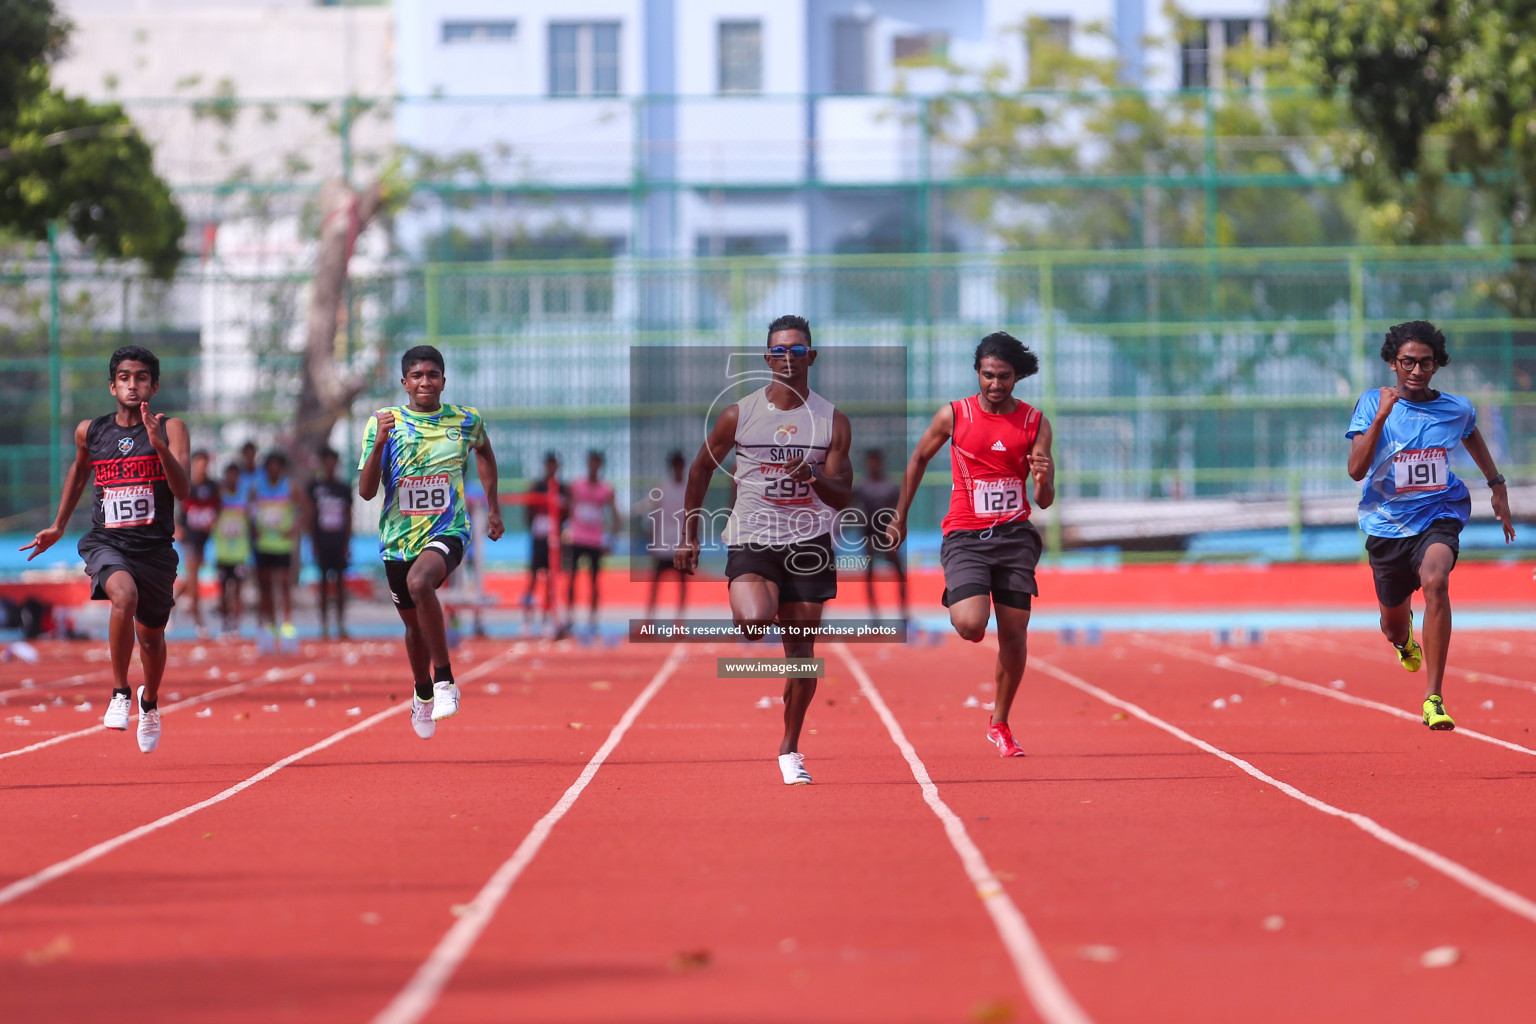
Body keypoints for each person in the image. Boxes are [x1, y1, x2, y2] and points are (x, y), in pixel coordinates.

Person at [676, 314, 852, 785]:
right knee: (754, 622)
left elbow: (843, 494)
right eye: (780, 350)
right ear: (767, 357)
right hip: (753, 535)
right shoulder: (740, 414)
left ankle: (790, 748)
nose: (788, 358)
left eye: (798, 350)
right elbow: (699, 470)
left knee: (802, 655)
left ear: (810, 357)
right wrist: (688, 534)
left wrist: (812, 475)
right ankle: (765, 602)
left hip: (809, 544)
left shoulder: (831, 420)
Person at [887, 332, 1054, 759]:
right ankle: (972, 608)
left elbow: (1046, 500)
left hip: (1015, 536)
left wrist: (1043, 478)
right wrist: (899, 515)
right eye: (988, 375)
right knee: (970, 625)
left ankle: (999, 722)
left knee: (1014, 634)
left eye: (1004, 377)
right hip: (965, 535)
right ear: (977, 373)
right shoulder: (955, 415)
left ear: (1017, 377)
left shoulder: (1035, 423)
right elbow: (919, 458)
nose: (995, 384)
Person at [1346, 320, 1516, 730]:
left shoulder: (1457, 408)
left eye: (1426, 363)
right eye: (1409, 363)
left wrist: (1497, 485)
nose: (1417, 372)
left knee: (1437, 580)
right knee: (1392, 625)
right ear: (1392, 363)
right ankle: (1404, 641)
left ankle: (1433, 697)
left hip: (1439, 513)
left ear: (1436, 365)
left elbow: (1471, 434)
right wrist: (1383, 417)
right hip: (1387, 526)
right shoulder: (1372, 403)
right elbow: (1355, 469)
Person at [21, 345, 191, 754]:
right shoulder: (91, 431)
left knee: (152, 639)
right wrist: (59, 526)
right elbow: (80, 469)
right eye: (126, 378)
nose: (134, 385)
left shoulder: (173, 428)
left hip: (154, 549)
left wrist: (159, 445)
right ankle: (120, 691)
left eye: (142, 378)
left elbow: (183, 490)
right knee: (123, 596)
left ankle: (149, 703)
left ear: (155, 385)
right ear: (112, 385)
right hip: (107, 542)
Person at [359, 345, 504, 740]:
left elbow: (485, 453)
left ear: (444, 380)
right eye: (417, 376)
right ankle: (422, 691)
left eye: (433, 375)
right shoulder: (383, 422)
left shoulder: (465, 420)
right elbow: (367, 491)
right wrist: (378, 445)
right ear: (404, 383)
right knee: (414, 627)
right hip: (398, 540)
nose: (426, 382)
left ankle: (444, 682)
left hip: (448, 529)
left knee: (421, 583)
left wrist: (492, 508)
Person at [251, 451, 307, 653]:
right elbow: (249, 508)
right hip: (264, 544)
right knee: (265, 587)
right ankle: (270, 625)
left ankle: (287, 626)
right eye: (270, 466)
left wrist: (295, 527)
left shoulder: (289, 486)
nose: (273, 470)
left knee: (284, 585)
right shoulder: (258, 487)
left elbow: (306, 506)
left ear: (281, 469)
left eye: (277, 466)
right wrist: (253, 528)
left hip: (283, 545)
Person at [850, 448, 908, 621]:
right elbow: (849, 507)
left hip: (888, 537)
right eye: (871, 461)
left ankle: (904, 612)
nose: (873, 465)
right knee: (869, 575)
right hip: (869, 536)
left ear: (881, 463)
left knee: (900, 573)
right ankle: (874, 614)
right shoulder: (861, 487)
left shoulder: (890, 487)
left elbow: (898, 511)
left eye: (876, 461)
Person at [566, 450, 618, 631]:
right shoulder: (577, 486)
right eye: (591, 462)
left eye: (597, 463)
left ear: (600, 465)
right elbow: (569, 508)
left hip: (595, 540)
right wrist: (566, 530)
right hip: (577, 538)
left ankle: (593, 619)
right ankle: (569, 616)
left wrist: (611, 539)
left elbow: (615, 515)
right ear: (588, 464)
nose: (593, 466)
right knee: (572, 578)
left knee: (594, 581)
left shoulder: (606, 489)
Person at [308, 445, 354, 640]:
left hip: (338, 541)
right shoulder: (315, 488)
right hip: (322, 541)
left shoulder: (343, 489)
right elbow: (311, 516)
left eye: (332, 461)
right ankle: (324, 625)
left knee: (341, 584)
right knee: (324, 584)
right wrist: (313, 543)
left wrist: (347, 543)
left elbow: (349, 516)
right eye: (326, 461)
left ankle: (341, 624)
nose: (329, 465)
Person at [174, 449, 220, 639]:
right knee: (194, 577)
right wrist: (175, 526)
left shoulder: (213, 486)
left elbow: (218, 507)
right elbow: (174, 504)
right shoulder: (186, 484)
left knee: (193, 576)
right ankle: (198, 622)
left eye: (205, 462)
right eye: (199, 462)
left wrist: (214, 521)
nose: (202, 466)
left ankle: (171, 602)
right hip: (188, 535)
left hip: (203, 536)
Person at [520, 451, 567, 632]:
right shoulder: (537, 486)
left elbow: (566, 512)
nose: (551, 467)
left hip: (554, 539)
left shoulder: (562, 488)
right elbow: (528, 510)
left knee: (550, 579)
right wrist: (533, 529)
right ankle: (527, 618)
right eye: (548, 463)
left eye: (554, 464)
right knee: (532, 577)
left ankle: (547, 618)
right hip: (538, 537)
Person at [643, 450, 689, 622]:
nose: (677, 469)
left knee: (682, 584)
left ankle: (679, 620)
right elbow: (654, 515)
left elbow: (693, 517)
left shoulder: (688, 488)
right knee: (655, 584)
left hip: (680, 545)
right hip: (663, 544)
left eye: (680, 465)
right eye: (675, 465)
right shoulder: (662, 487)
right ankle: (649, 619)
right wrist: (652, 542)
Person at [213, 460, 251, 639]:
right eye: (230, 475)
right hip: (222, 551)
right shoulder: (219, 496)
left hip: (240, 552)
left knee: (237, 590)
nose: (232, 479)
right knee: (222, 591)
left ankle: (236, 625)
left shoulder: (245, 496)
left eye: (236, 475)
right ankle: (224, 624)